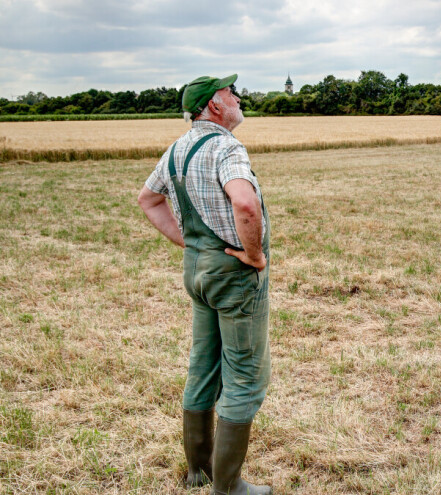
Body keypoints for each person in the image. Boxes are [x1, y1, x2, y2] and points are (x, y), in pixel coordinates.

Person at [137, 74, 272, 495]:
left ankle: (199, 471)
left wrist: (189, 243)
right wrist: (254, 256)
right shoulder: (226, 147)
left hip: (197, 271)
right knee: (245, 374)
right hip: (232, 275)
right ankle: (228, 487)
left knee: (203, 365)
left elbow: (148, 199)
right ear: (214, 106)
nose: (238, 97)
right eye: (230, 93)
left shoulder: (176, 150)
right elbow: (245, 203)